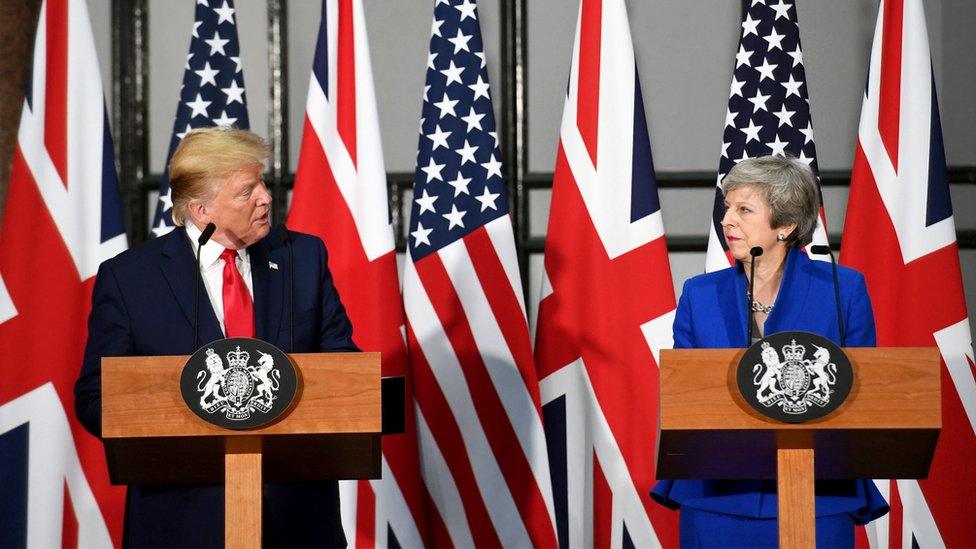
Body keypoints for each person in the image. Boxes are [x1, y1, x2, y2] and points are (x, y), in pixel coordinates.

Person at [74, 127, 357, 548]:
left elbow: (344, 375)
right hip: (182, 521)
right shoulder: (132, 278)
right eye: (247, 191)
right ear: (201, 210)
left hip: (296, 517)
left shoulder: (302, 258)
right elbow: (96, 396)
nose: (265, 197)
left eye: (261, 182)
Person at [650, 156, 889, 547]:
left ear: (786, 225)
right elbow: (683, 393)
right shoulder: (700, 293)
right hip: (717, 497)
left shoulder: (841, 290)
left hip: (819, 494)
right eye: (727, 208)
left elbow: (866, 389)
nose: (727, 220)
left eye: (744, 210)